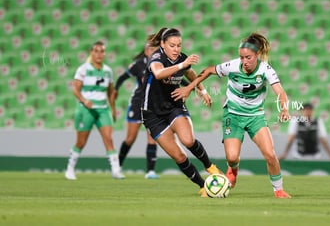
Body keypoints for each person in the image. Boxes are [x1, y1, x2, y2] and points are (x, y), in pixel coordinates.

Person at [172, 32, 291, 198]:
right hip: (232, 115)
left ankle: (278, 189)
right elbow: (208, 71)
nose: (244, 61)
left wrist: (284, 109)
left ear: (257, 55)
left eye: (248, 57)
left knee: (270, 154)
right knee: (232, 157)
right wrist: (189, 87)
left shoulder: (266, 69)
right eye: (242, 57)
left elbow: (280, 92)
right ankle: (233, 169)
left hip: (255, 116)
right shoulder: (233, 66)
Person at [141, 27, 222, 197]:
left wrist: (203, 91)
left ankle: (210, 166)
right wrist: (182, 64)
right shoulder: (156, 58)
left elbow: (192, 75)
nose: (176, 49)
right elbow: (158, 73)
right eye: (172, 45)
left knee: (187, 139)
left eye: (179, 45)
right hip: (153, 115)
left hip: (174, 105)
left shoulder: (182, 59)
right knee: (179, 156)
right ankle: (203, 186)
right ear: (162, 44)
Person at [65, 41, 125, 180]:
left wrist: (113, 108)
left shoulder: (108, 71)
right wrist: (85, 100)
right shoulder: (83, 69)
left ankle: (116, 170)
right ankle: (70, 168)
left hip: (103, 109)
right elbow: (75, 89)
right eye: (96, 51)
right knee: (81, 142)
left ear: (104, 53)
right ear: (91, 53)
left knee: (109, 139)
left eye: (102, 51)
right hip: (86, 109)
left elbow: (110, 91)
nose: (99, 54)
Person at [111, 42, 161, 179]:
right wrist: (115, 90)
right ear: (145, 51)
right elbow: (122, 78)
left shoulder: (162, 63)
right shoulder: (138, 64)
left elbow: (177, 78)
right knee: (130, 138)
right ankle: (118, 167)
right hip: (137, 103)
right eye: (151, 49)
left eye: (156, 49)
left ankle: (150, 171)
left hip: (152, 105)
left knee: (152, 137)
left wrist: (192, 86)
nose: (153, 51)